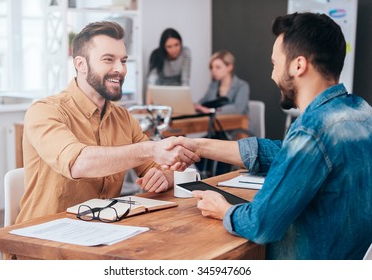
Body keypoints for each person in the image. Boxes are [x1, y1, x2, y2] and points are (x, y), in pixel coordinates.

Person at [172, 12, 372, 259]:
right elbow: (283, 152)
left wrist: (223, 209)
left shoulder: (312, 130)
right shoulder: (362, 112)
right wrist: (198, 146)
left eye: (275, 64)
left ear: (298, 65)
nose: (272, 75)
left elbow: (260, 224)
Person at [16, 21, 199, 224]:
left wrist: (165, 177)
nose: (120, 69)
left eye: (123, 60)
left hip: (102, 231)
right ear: (80, 64)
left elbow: (165, 168)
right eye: (108, 59)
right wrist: (150, 148)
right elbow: (78, 163)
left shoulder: (123, 118)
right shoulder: (44, 111)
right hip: (42, 239)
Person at [194, 50, 250, 116]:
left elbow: (237, 109)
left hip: (239, 124)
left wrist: (212, 110)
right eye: (212, 68)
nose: (213, 71)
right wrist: (195, 106)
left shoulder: (242, 86)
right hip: (217, 124)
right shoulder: (213, 86)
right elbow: (202, 103)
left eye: (218, 67)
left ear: (229, 67)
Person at [146, 28, 191, 104]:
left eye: (176, 45)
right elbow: (151, 83)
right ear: (164, 47)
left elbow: (185, 80)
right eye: (169, 47)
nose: (174, 49)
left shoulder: (185, 53)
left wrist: (184, 102)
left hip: (178, 95)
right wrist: (148, 106)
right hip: (160, 95)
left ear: (181, 43)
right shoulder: (157, 55)